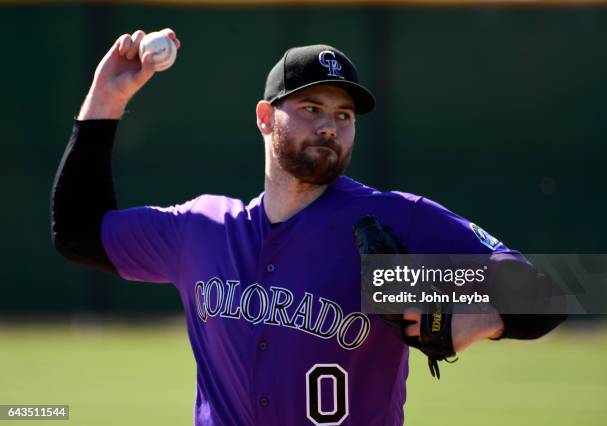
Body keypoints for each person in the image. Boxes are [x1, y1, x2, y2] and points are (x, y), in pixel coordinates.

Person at [51, 29, 566, 426]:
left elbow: (548, 290)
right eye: (311, 108)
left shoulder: (390, 220)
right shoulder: (203, 230)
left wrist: (477, 318)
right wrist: (108, 98)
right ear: (264, 118)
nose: (329, 125)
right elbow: (78, 232)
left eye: (344, 116)